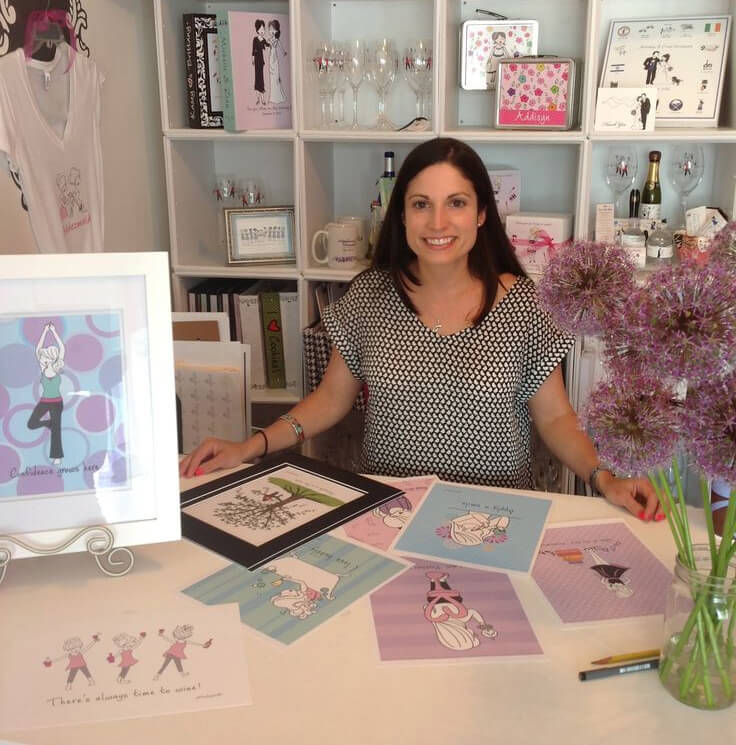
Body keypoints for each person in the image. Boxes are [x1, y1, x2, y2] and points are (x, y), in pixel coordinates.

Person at [181, 138, 661, 521]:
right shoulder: (370, 296)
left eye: (455, 203)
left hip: (497, 517)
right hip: (388, 512)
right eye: (420, 204)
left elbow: (555, 418)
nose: (437, 222)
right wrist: (250, 445)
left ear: (480, 214)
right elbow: (331, 399)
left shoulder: (524, 305)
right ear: (402, 215)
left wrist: (606, 478)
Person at [27, 321, 65, 463]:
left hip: (56, 402)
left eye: (44, 357)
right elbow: (38, 349)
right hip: (44, 401)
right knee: (31, 423)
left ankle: (57, 457)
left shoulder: (56, 368)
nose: (42, 358)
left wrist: (54, 331)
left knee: (56, 431)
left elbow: (61, 348)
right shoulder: (43, 368)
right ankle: (49, 423)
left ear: (51, 358)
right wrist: (44, 331)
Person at [267, 19, 287, 105]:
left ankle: (277, 97)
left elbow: (281, 47)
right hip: (271, 58)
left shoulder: (276, 40)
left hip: (274, 59)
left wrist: (284, 52)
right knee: (272, 76)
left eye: (273, 29)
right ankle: (273, 96)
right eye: (270, 29)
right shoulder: (271, 39)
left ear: (276, 30)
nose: (271, 31)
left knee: (276, 77)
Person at [251, 19, 268, 106]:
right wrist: (252, 59)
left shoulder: (263, 39)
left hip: (261, 61)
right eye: (261, 29)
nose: (262, 31)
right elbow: (253, 50)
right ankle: (258, 99)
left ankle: (263, 99)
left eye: (263, 29)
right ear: (257, 30)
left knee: (261, 79)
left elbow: (267, 45)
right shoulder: (255, 39)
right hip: (256, 61)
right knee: (257, 79)